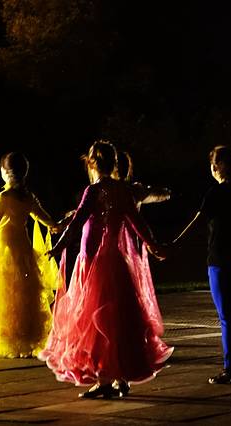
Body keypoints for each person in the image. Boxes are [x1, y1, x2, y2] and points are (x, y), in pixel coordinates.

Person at [38, 140, 173, 399]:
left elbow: (78, 221)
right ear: (114, 164)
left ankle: (103, 381)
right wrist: (153, 245)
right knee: (119, 321)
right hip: (117, 263)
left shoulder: (93, 191)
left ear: (91, 164)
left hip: (94, 265)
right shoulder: (123, 190)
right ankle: (120, 378)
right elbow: (136, 221)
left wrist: (59, 246)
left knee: (95, 323)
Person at [174, 146, 231, 385]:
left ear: (216, 167)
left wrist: (175, 245)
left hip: (221, 260)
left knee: (227, 316)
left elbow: (198, 222)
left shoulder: (217, 193)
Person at [0, 152, 59, 358]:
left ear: (4, 172)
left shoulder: (4, 198)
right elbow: (46, 219)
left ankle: (8, 341)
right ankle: (24, 340)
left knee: (4, 295)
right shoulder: (28, 197)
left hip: (4, 250)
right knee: (24, 295)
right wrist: (58, 224)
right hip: (23, 249)